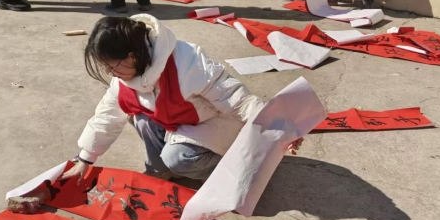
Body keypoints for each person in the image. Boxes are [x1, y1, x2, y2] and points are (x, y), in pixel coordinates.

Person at [62, 15, 302, 183]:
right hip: (176, 122)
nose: (110, 73)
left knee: (178, 158)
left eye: (111, 66)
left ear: (132, 56)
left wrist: (278, 126)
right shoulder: (124, 77)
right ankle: (162, 171)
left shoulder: (187, 61)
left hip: (213, 121)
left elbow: (235, 98)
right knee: (141, 118)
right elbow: (107, 116)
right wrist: (85, 159)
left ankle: (239, 168)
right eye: (105, 68)